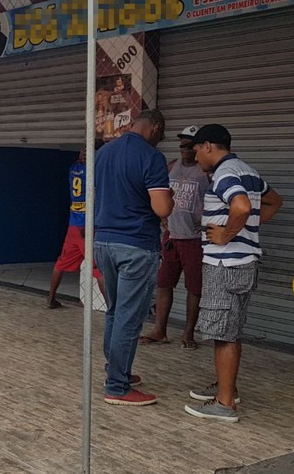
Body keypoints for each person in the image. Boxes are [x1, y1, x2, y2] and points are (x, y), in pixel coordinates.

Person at [184, 125, 283, 423]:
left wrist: (227, 235)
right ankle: (228, 387)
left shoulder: (226, 173)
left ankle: (224, 403)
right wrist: (249, 228)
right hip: (243, 263)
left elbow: (240, 206)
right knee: (230, 330)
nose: (195, 156)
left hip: (225, 265)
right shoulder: (246, 170)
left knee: (222, 334)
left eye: (196, 149)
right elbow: (275, 201)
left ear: (209, 146)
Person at [94, 109, 174, 407]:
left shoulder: (104, 153)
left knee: (116, 311)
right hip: (136, 246)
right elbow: (162, 209)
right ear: (154, 127)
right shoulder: (151, 158)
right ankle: (117, 386)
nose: (161, 140)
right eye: (162, 134)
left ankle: (116, 370)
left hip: (104, 242)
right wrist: (172, 196)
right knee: (130, 316)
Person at [140, 125, 210, 349]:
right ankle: (160, 330)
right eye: (182, 144)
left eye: (189, 145)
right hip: (171, 237)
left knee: (194, 288)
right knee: (163, 283)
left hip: (195, 239)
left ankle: (188, 334)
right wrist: (160, 215)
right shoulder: (171, 167)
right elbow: (157, 194)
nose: (185, 149)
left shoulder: (206, 172)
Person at [48, 141, 106, 309]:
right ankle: (112, 309)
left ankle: (51, 299)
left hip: (73, 224)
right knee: (99, 269)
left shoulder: (73, 168)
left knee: (60, 263)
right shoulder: (94, 171)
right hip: (88, 225)